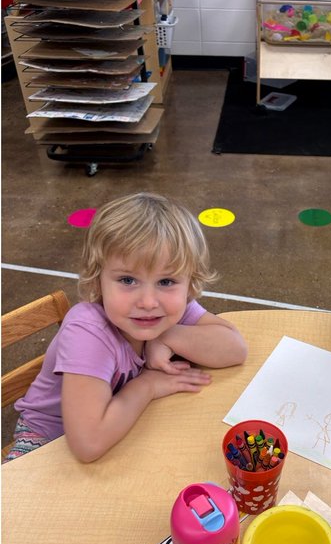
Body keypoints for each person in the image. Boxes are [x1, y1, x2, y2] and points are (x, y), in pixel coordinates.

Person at [5, 192, 247, 463]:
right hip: (47, 443)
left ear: (189, 284)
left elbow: (235, 349)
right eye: (128, 280)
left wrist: (168, 336)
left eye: (166, 281)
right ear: (98, 282)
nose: (147, 302)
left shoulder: (168, 313)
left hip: (118, 428)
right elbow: (88, 444)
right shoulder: (88, 332)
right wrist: (148, 385)